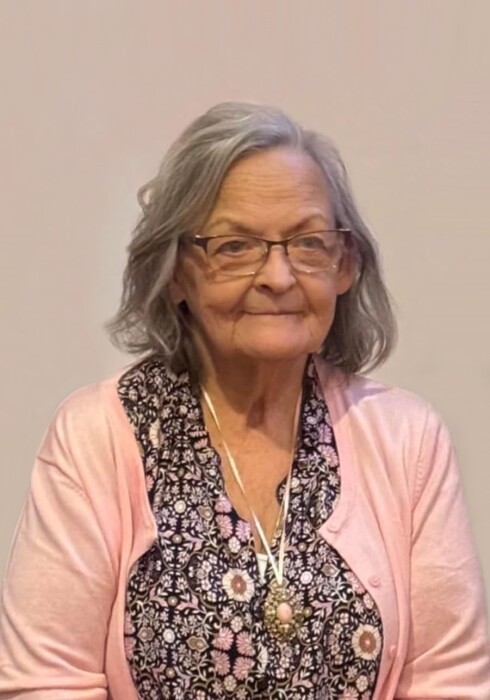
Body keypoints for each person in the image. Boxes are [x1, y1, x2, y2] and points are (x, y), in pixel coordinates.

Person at [0, 102, 489, 700]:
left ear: (345, 266)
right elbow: (46, 682)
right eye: (236, 246)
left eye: (308, 243)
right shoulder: (97, 436)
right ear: (175, 273)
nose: (278, 277)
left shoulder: (408, 439)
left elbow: (447, 679)